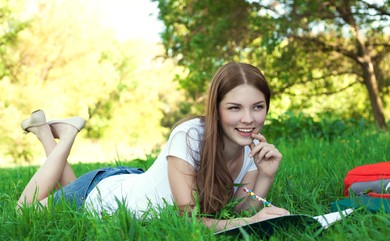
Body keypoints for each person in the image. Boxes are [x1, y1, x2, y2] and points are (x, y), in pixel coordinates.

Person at [18, 62, 289, 232]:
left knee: (69, 195)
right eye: (234, 108)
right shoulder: (190, 135)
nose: (248, 119)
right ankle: (66, 134)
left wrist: (266, 174)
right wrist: (249, 222)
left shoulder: (253, 149)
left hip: (133, 186)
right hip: (107, 197)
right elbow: (189, 221)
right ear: (216, 110)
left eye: (257, 107)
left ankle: (43, 131)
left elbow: (241, 210)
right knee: (22, 212)